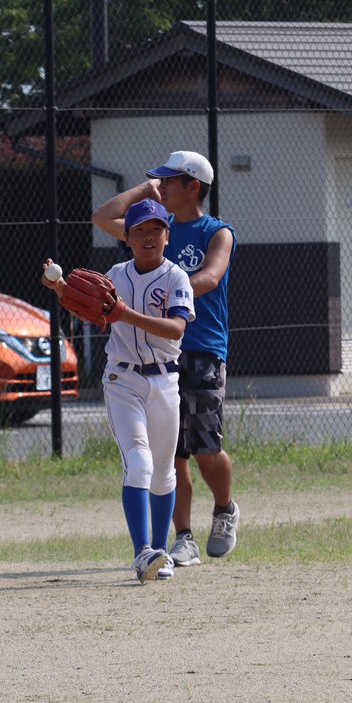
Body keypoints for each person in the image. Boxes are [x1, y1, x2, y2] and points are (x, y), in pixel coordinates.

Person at [93, 150, 239, 565]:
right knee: (169, 454)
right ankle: (183, 537)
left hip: (204, 346)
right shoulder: (156, 227)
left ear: (192, 186)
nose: (163, 187)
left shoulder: (217, 231)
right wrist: (144, 190)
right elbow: (103, 219)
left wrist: (166, 289)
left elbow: (210, 277)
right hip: (156, 354)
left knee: (206, 446)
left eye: (168, 181)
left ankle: (225, 508)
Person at [44, 198, 194, 583]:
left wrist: (124, 314)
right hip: (122, 380)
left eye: (156, 229)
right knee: (139, 463)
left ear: (167, 235)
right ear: (126, 237)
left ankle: (160, 554)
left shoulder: (177, 278)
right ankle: (142, 551)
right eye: (140, 231)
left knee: (163, 474)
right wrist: (61, 288)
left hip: (165, 380)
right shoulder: (114, 275)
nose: (148, 237)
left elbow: (176, 329)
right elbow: (90, 308)